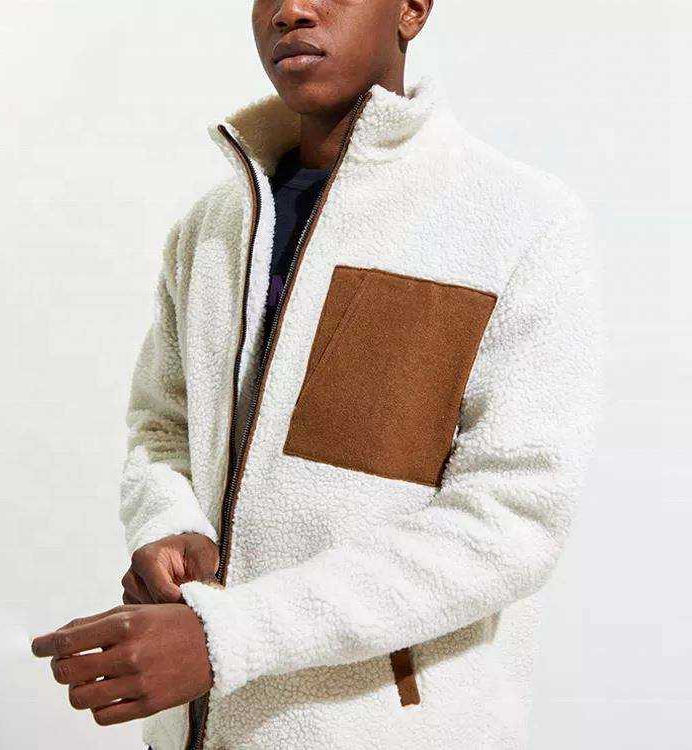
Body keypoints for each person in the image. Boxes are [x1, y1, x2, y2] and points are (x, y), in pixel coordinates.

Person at [31, 1, 603, 748]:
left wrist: (228, 636)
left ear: (412, 9)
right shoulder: (211, 228)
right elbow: (161, 425)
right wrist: (168, 522)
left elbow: (512, 521)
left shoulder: (520, 224)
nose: (291, 11)